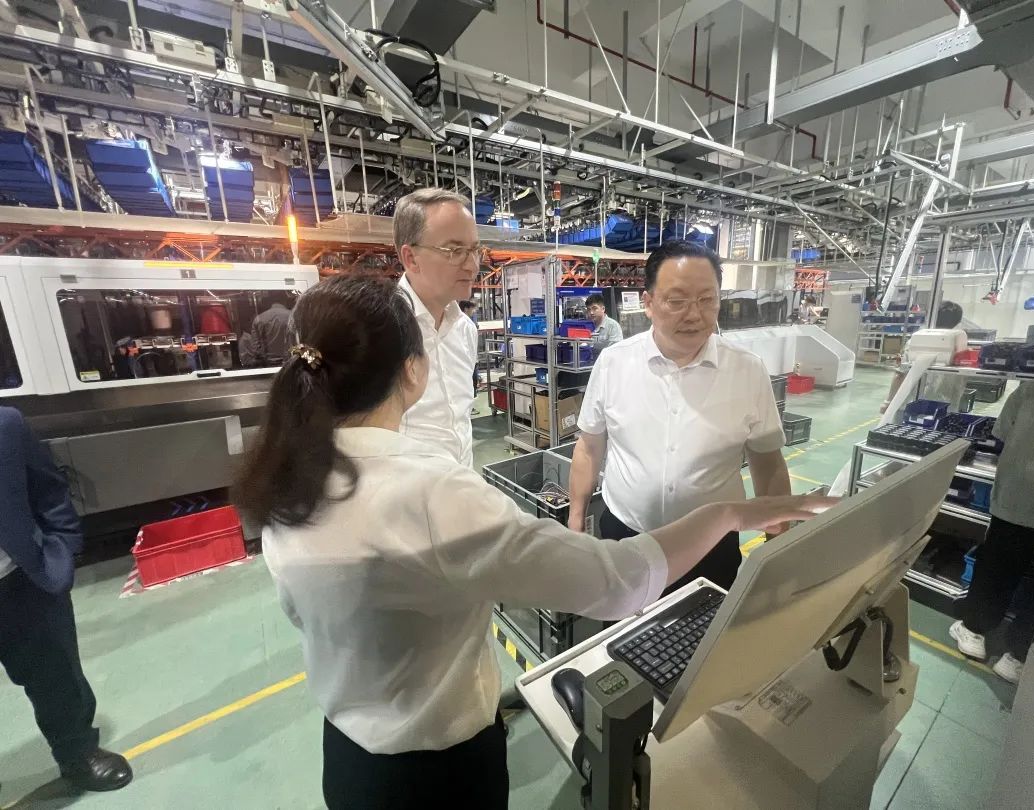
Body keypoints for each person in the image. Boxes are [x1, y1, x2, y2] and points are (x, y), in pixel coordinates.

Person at [232, 275, 833, 810]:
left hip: (347, 758)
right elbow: (616, 580)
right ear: (414, 370)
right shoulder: (432, 493)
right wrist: (727, 512)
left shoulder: (286, 478)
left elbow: (303, 615)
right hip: (440, 772)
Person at [568, 240, 793, 594]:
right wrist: (575, 519)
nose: (694, 315)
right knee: (623, 624)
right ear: (648, 303)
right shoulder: (613, 363)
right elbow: (589, 447)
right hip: (626, 538)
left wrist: (777, 543)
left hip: (713, 546)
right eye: (677, 301)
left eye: (707, 300)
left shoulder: (747, 370)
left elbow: (768, 464)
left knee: (709, 628)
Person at [0, 408, 133, 793]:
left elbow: (47, 487)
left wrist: (61, 547)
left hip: (19, 580)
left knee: (56, 675)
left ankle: (77, 752)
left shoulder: (6, 425)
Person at [949, 320, 1034, 684]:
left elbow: (1002, 433)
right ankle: (1019, 655)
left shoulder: (1033, 391)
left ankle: (974, 632)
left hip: (1018, 499)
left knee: (998, 568)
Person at [394, 188, 479, 466]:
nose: (472, 265)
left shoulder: (465, 330)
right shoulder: (380, 332)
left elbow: (461, 420)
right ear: (411, 258)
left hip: (461, 480)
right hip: (407, 488)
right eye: (455, 251)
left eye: (475, 250)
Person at [881, 300, 967, 413]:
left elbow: (900, 375)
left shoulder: (916, 341)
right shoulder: (960, 345)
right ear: (957, 322)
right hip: (945, 408)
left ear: (932, 317)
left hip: (912, 407)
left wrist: (888, 402)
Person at [243, 293, 294, 367]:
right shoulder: (292, 316)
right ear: (284, 299)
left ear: (270, 301)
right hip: (289, 364)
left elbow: (256, 350)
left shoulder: (259, 319)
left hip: (268, 365)